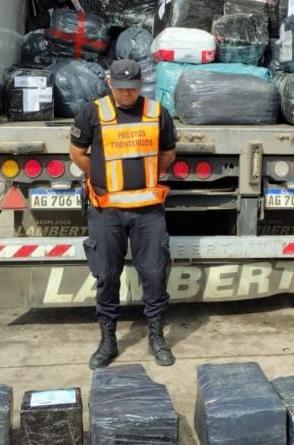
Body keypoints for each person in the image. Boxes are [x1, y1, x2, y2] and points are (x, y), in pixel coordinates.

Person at [69, 59, 178, 370]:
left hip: (147, 210)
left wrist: (144, 176)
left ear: (141, 84)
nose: (126, 93)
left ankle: (157, 338)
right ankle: (108, 340)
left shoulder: (157, 113)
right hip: (107, 210)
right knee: (106, 276)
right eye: (120, 88)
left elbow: (168, 153)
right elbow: (77, 153)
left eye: (131, 88)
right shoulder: (92, 112)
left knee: (154, 275)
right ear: (109, 83)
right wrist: (101, 175)